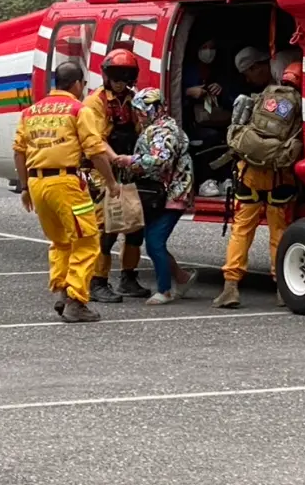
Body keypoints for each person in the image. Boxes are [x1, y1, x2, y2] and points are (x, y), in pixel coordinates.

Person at [13, 60, 121, 323]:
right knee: (86, 240)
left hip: (38, 185)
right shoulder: (77, 110)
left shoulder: (31, 112)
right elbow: (95, 150)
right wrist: (111, 182)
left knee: (60, 241)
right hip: (66, 184)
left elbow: (18, 150)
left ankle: (63, 291)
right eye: (83, 84)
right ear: (76, 84)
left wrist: (25, 187)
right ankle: (76, 301)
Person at [215, 47, 303, 309]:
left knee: (241, 231)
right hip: (280, 178)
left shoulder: (259, 98)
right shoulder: (301, 105)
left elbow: (236, 129)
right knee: (280, 232)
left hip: (250, 175)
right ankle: (281, 288)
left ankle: (230, 287)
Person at [115, 88, 199, 305]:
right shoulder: (158, 127)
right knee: (155, 241)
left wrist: (130, 161)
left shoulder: (163, 132)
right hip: (164, 193)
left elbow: (160, 160)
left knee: (154, 242)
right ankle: (182, 278)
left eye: (142, 111)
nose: (139, 116)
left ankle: (165, 289)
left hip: (172, 194)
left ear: (155, 108)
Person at [83, 48, 149, 302]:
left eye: (126, 76)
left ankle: (128, 278)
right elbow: (96, 141)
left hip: (127, 168)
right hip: (100, 170)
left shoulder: (134, 100)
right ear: (106, 75)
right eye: (116, 76)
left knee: (133, 225)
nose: (121, 81)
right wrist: (114, 161)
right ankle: (97, 281)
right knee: (106, 227)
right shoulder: (95, 103)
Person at [183, 38, 235, 196]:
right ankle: (206, 180)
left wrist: (222, 90)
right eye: (205, 47)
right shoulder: (186, 71)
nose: (209, 51)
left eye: (212, 47)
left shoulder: (221, 71)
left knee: (231, 137)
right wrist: (188, 92)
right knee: (209, 138)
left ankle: (226, 178)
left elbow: (233, 98)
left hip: (219, 119)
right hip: (193, 122)